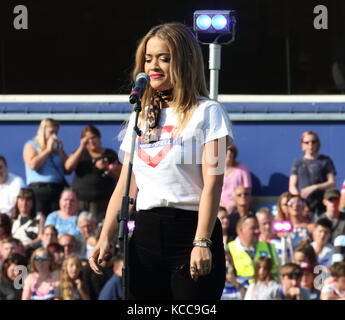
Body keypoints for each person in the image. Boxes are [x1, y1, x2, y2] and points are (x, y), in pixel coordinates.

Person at [89, 22, 233, 300]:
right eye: (148, 58)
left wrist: (202, 241)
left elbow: (213, 184)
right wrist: (105, 235)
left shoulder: (209, 113)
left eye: (164, 58)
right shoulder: (139, 115)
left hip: (191, 229)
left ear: (183, 61)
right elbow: (125, 186)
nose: (153, 66)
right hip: (145, 235)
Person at [65, 126, 122, 223]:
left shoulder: (109, 154)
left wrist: (106, 168)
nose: (91, 141)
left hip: (101, 200)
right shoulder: (79, 153)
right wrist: (81, 147)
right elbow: (68, 168)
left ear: (99, 137)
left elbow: (120, 177)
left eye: (93, 137)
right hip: (80, 200)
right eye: (87, 139)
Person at [23, 118, 69, 218]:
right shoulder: (31, 145)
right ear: (42, 131)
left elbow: (68, 169)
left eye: (56, 132)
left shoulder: (57, 148)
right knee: (40, 219)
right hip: (39, 190)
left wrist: (60, 151)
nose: (54, 136)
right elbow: (33, 165)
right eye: (51, 132)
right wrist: (47, 150)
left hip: (57, 189)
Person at [289, 131, 336, 218]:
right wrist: (300, 201)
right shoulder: (297, 162)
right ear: (302, 145)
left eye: (313, 142)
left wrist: (314, 187)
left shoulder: (325, 161)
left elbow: (332, 183)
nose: (310, 145)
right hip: (304, 207)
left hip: (322, 206)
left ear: (318, 143)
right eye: (307, 142)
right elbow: (292, 186)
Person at [227, 215, 280, 288]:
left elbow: (277, 274)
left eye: (258, 227)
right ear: (240, 230)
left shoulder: (270, 247)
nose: (257, 231)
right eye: (253, 228)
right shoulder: (228, 249)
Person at [219, 144, 252, 213]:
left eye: (231, 151)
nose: (229, 153)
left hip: (237, 208)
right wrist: (221, 205)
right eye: (226, 150)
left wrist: (234, 204)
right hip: (219, 207)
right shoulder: (215, 170)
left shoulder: (242, 169)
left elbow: (247, 191)